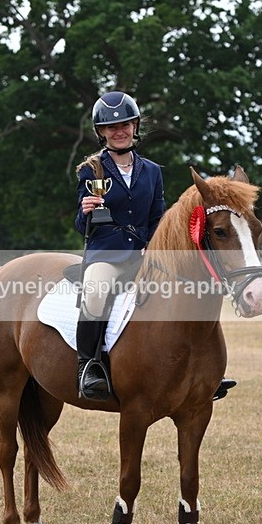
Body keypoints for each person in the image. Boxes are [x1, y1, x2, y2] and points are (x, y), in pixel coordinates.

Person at [75, 91, 166, 400]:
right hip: (107, 254)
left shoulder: (152, 171)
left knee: (186, 290)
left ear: (135, 126)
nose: (119, 131)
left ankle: (198, 368)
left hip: (145, 254)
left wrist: (152, 246)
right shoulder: (92, 169)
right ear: (101, 132)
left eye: (125, 124)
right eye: (111, 127)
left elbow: (157, 217)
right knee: (96, 293)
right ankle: (87, 366)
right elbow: (81, 225)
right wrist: (86, 210)